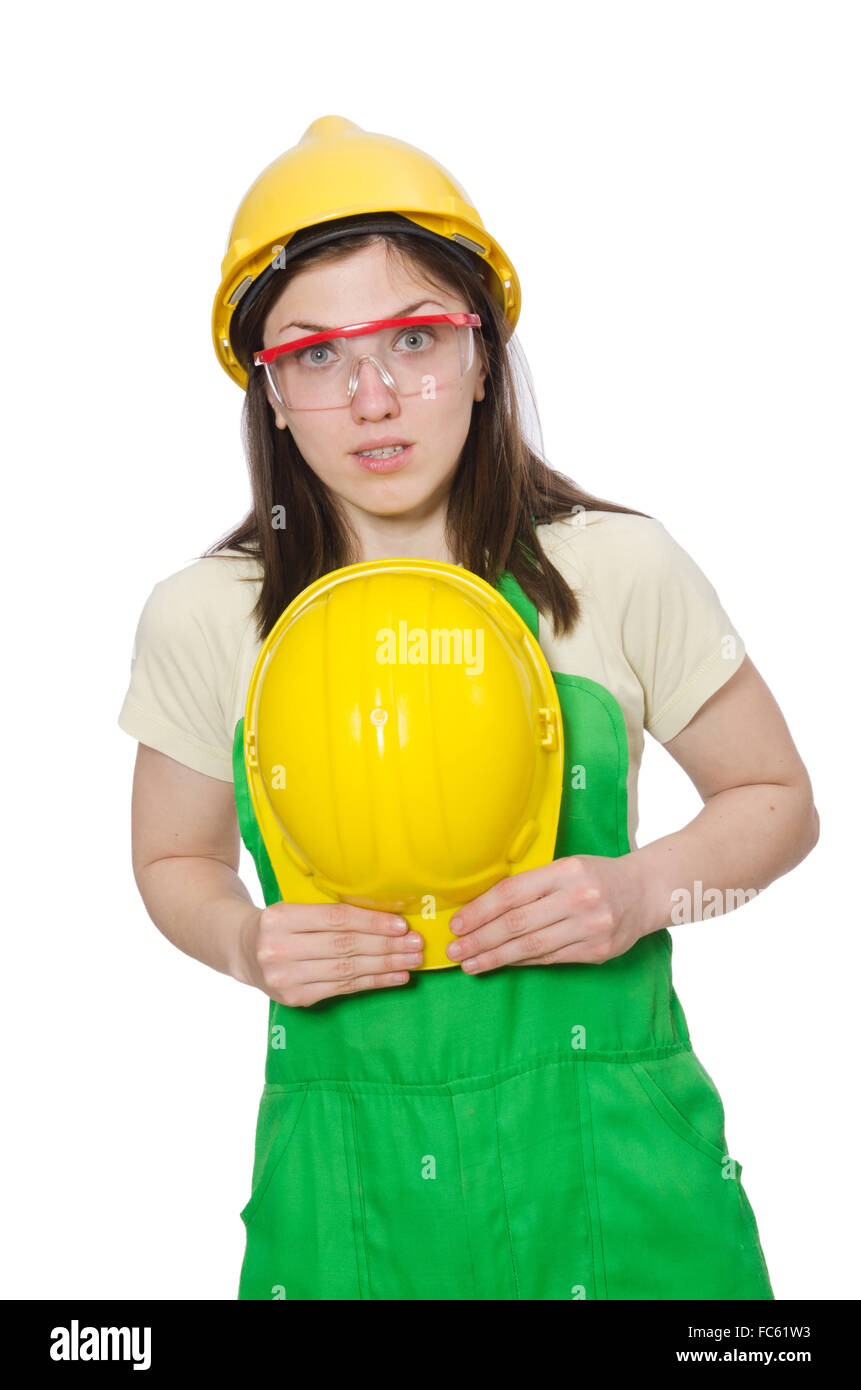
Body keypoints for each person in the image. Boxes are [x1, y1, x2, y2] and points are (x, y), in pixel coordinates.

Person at [118, 115, 819, 1300]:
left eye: (416, 338)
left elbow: (780, 801)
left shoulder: (618, 569)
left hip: (620, 1171)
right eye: (319, 355)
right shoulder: (207, 615)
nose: (375, 394)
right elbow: (172, 857)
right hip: (350, 1183)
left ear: (484, 355)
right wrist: (245, 941)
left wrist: (640, 892)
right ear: (270, 393)